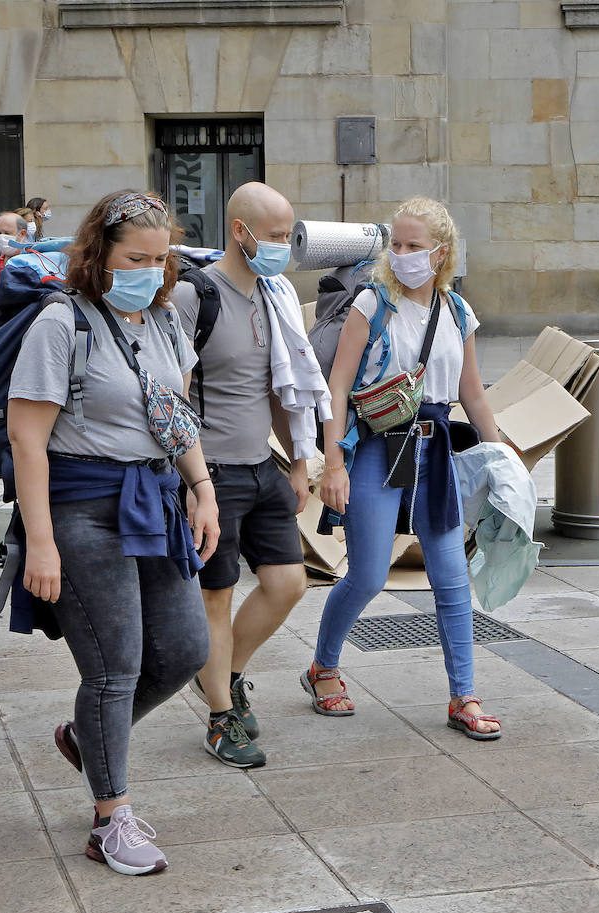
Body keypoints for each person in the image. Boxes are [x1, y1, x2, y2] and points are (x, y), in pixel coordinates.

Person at [7, 190, 218, 875]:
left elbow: (175, 417)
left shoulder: (163, 323)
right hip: (84, 509)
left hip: (155, 500)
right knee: (114, 667)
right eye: (136, 258)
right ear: (98, 255)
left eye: (161, 260)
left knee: (185, 650)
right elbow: (26, 438)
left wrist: (202, 489)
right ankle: (111, 821)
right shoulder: (60, 323)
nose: (152, 271)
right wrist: (40, 540)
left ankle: (86, 736)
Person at [309, 196, 504, 739]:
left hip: (434, 449)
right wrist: (333, 464)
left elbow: (474, 396)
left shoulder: (459, 313)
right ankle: (323, 666)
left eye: (413, 246)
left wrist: (504, 461)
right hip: (378, 446)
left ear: (441, 253)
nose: (401, 255)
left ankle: (463, 696)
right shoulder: (372, 305)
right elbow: (339, 387)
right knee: (369, 574)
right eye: (395, 244)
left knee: (450, 579)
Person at [170, 181, 326, 769]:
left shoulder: (274, 293)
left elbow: (279, 387)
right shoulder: (195, 296)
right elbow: (172, 395)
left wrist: (300, 464)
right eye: (279, 236)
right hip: (210, 474)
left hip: (262, 466)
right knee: (216, 596)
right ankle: (218, 720)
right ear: (242, 231)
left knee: (289, 582)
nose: (286, 246)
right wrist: (190, 483)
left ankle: (225, 676)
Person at [0, 211, 31, 328]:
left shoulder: (28, 264)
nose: (1, 237)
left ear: (22, 234)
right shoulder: (0, 259)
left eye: (7, 233)